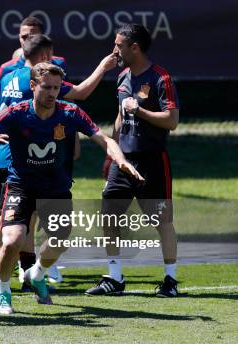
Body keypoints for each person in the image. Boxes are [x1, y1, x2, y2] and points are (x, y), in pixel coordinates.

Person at [0, 62, 143, 314]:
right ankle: (3, 291)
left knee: (59, 241)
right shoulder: (16, 113)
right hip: (20, 186)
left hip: (56, 189)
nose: (52, 93)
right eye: (47, 87)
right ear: (33, 86)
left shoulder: (70, 113)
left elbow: (103, 139)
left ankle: (37, 274)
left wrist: (121, 160)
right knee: (13, 240)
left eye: (57, 88)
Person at [0, 34, 117, 295]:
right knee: (13, 227)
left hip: (0, 155)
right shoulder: (45, 81)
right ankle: (6, 275)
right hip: (19, 163)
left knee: (17, 224)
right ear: (43, 58)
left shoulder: (6, 73)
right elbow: (81, 93)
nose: (52, 90)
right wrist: (103, 67)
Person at [85, 24, 180, 297]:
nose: (115, 50)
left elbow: (172, 121)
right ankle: (114, 278)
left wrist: (140, 111)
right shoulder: (123, 76)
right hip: (122, 161)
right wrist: (111, 152)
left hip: (152, 160)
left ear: (134, 47)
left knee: (162, 221)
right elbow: (118, 116)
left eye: (119, 45)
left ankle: (170, 280)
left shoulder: (161, 78)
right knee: (110, 216)